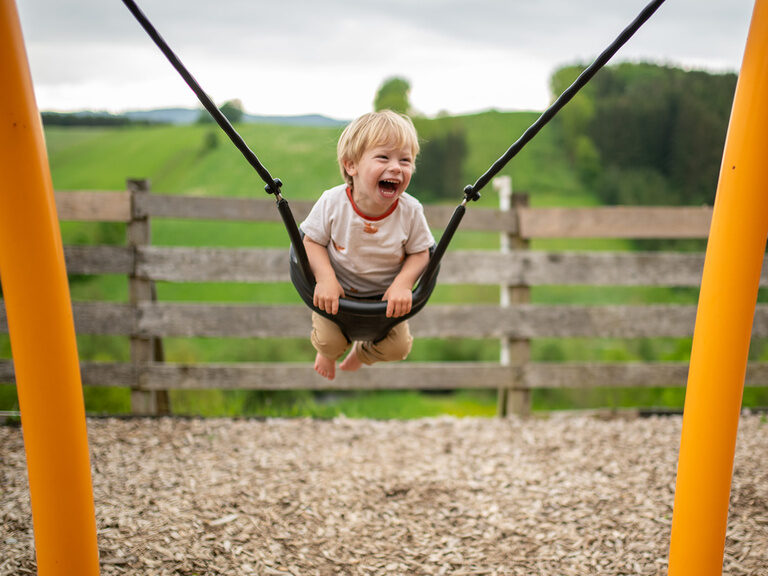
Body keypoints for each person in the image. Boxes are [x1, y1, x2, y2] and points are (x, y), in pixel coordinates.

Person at [300, 110, 434, 380]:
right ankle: (328, 353)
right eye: (383, 157)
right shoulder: (332, 202)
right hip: (336, 296)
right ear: (352, 165)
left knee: (398, 348)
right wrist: (325, 279)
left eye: (405, 160)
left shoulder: (410, 210)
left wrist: (403, 284)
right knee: (330, 342)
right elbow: (310, 241)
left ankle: (361, 354)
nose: (396, 167)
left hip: (385, 302)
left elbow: (421, 253)